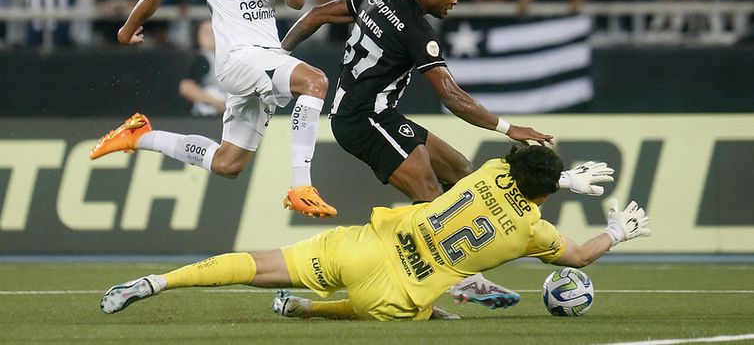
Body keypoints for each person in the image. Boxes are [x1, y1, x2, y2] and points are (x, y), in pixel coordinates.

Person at [100, 145, 650, 321]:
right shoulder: (533, 231)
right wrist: (616, 233)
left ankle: (155, 283)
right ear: (546, 194)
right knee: (405, 309)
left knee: (254, 266)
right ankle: (309, 311)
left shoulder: (488, 171)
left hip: (365, 245)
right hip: (395, 291)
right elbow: (577, 255)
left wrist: (561, 175)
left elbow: (518, 166)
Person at [88, 0, 337, 219]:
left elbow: (297, 0)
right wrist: (126, 29)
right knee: (315, 81)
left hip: (266, 58)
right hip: (239, 59)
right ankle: (301, 186)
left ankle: (140, 135)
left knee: (228, 163)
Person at [281, 0, 551, 203]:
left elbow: (316, 15)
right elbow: (451, 96)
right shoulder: (418, 31)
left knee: (464, 174)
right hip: (363, 119)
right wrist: (507, 128)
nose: (455, 1)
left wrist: (280, 55)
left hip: (376, 114)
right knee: (432, 200)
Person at [179, 19, 226, 116]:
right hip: (207, 113)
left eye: (213, 31)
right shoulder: (201, 58)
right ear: (197, 36)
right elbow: (186, 87)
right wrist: (216, 102)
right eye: (206, 32)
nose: (210, 36)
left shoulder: (225, 57)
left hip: (226, 109)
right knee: (213, 92)